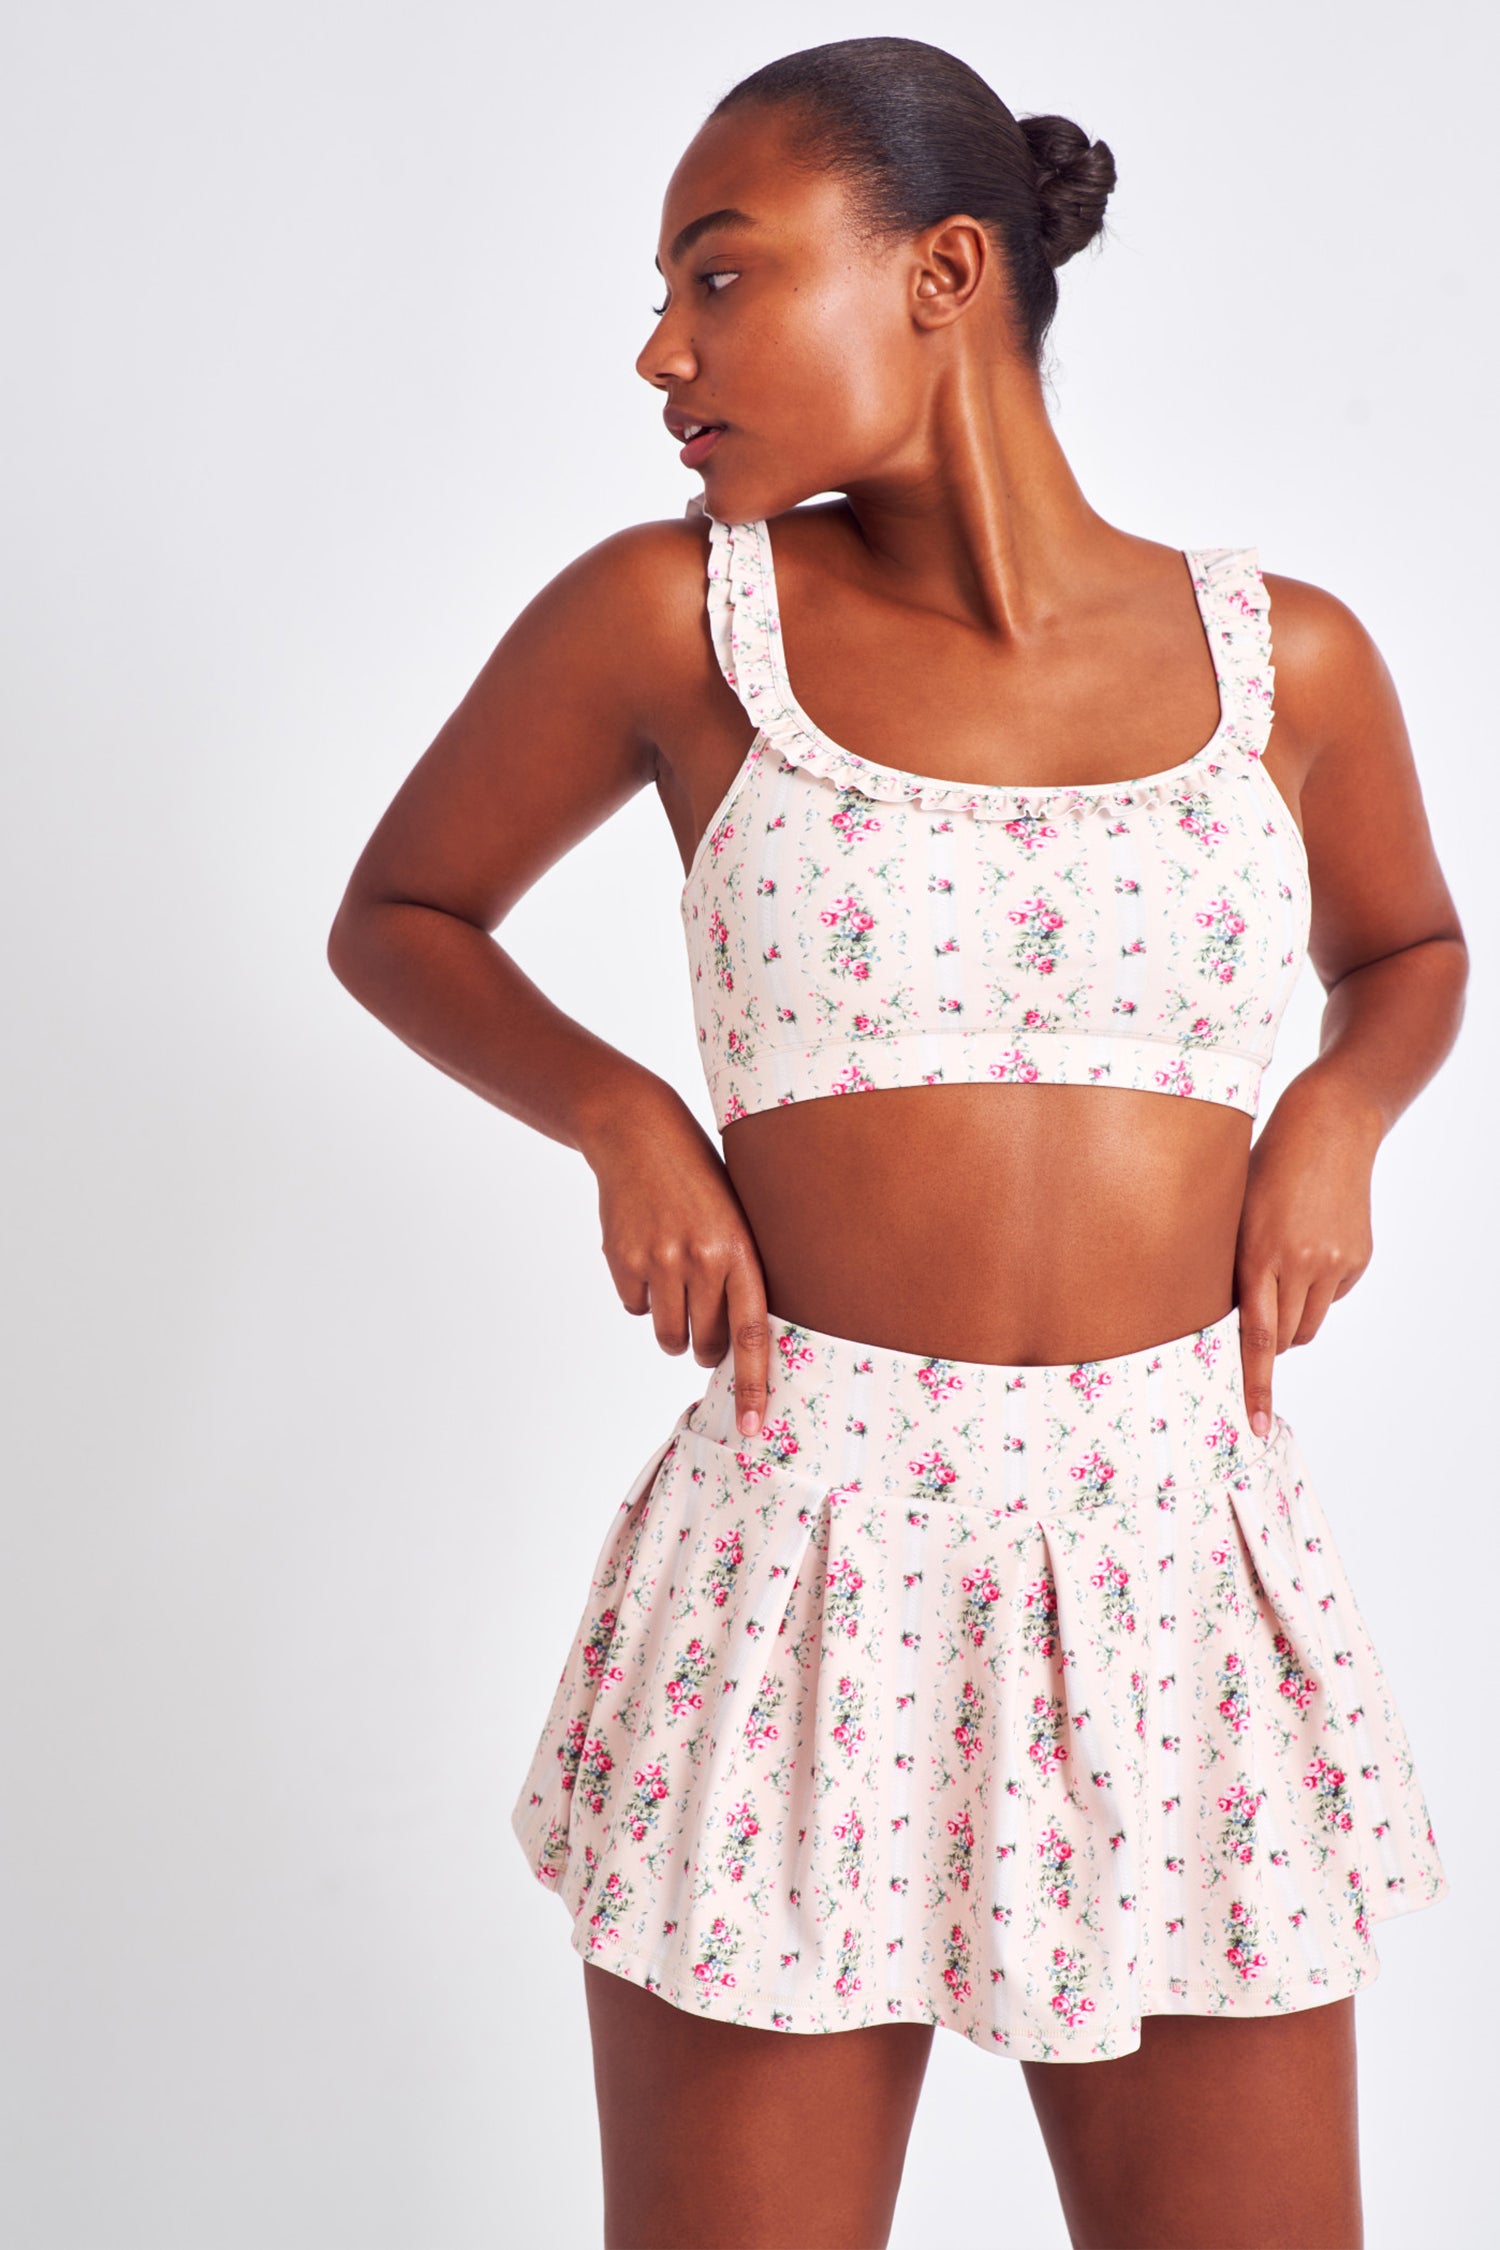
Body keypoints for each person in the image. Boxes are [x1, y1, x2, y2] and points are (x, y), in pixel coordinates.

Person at [326, 35, 1461, 2250]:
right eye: (666, 294)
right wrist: (622, 1116)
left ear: (944, 273)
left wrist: (1345, 1108)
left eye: (720, 277)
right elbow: (403, 913)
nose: (662, 352)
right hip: (805, 1563)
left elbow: (1410, 947)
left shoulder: (1287, 661)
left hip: (1174, 1564)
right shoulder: (675, 619)